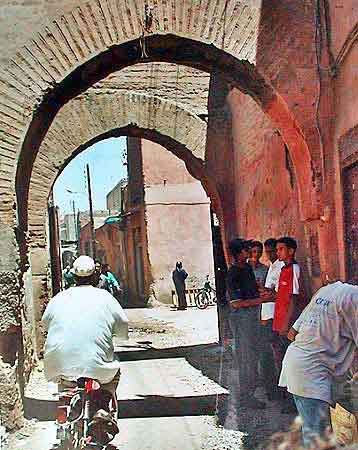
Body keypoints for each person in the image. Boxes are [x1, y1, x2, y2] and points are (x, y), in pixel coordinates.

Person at [279, 280, 358, 446]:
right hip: (312, 374)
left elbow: (292, 333)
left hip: (296, 364)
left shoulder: (326, 290)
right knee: (318, 439)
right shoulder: (354, 298)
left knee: (314, 433)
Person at [42, 255, 129, 394]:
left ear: (74, 277)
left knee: (65, 383)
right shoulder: (105, 297)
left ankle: (65, 405)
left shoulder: (58, 298)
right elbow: (123, 323)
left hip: (60, 365)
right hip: (98, 369)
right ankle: (105, 403)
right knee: (114, 373)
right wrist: (120, 334)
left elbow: (45, 324)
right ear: (95, 276)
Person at [226, 238, 272, 409]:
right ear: (239, 253)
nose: (249, 252)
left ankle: (250, 393)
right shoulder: (234, 273)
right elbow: (236, 303)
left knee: (253, 356)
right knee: (246, 358)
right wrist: (260, 300)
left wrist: (264, 292)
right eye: (246, 250)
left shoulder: (246, 269)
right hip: (242, 319)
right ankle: (246, 396)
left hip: (252, 317)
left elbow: (252, 291)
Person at [271, 236, 302, 413]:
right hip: (278, 322)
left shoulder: (294, 269)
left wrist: (287, 324)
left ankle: (291, 402)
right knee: (280, 360)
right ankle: (285, 398)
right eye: (277, 249)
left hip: (286, 324)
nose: (278, 252)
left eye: (281, 249)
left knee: (288, 362)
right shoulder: (283, 269)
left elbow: (293, 298)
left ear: (291, 251)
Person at [249, 239, 279, 401]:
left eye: (259, 253)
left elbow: (270, 291)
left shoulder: (266, 270)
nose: (256, 256)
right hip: (249, 317)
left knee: (266, 353)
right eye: (253, 252)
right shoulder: (243, 271)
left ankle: (270, 388)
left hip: (265, 316)